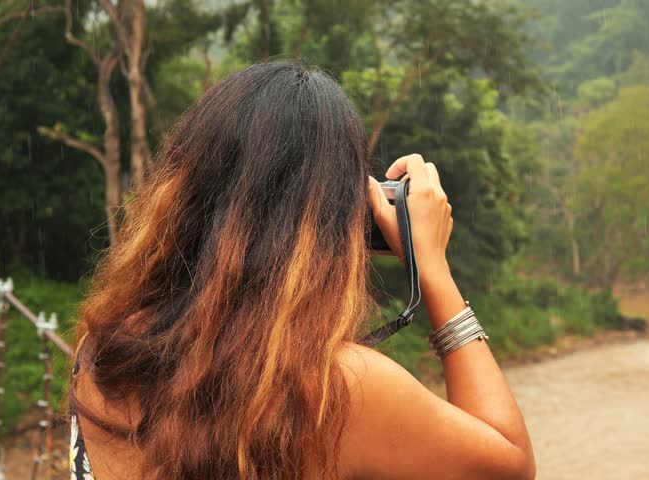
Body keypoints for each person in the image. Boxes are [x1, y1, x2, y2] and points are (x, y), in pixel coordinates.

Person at [69, 60, 535, 480]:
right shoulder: (339, 391)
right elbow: (510, 466)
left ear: (182, 193)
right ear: (339, 220)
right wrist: (432, 267)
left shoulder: (102, 355)